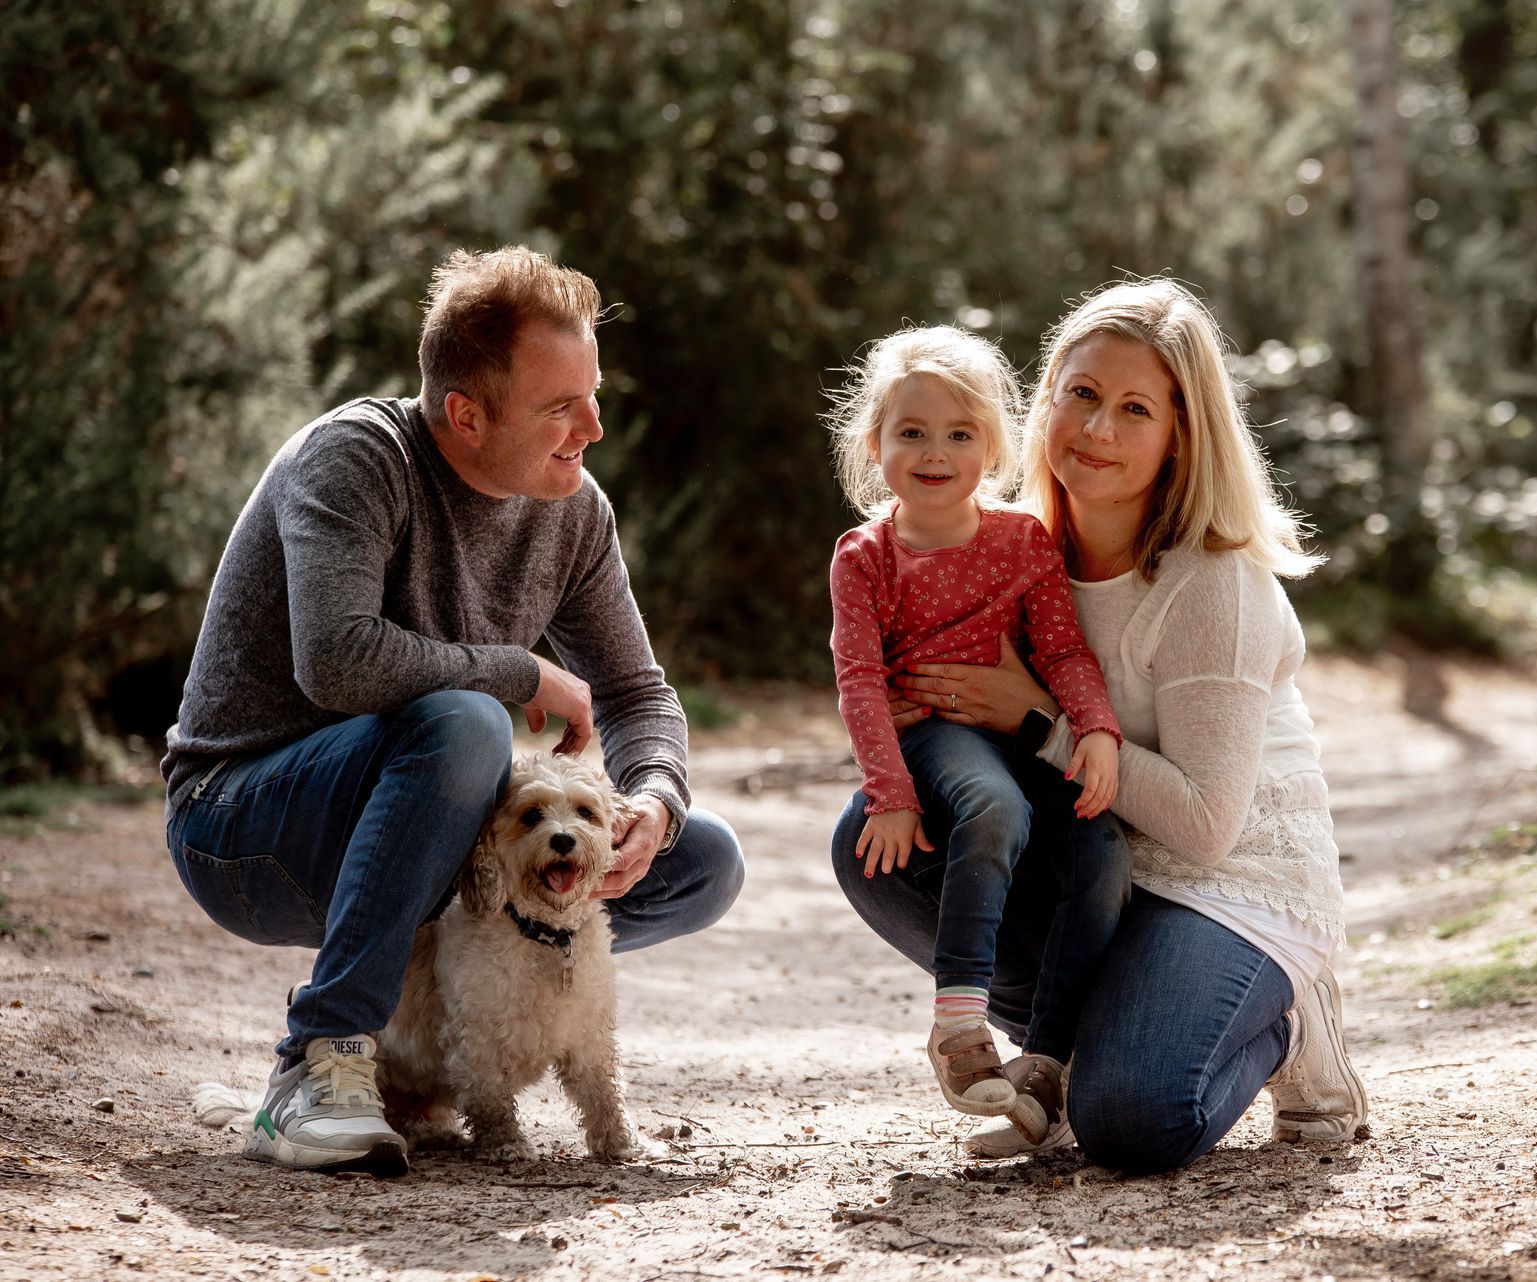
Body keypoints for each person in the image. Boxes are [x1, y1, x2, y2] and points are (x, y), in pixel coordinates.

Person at [161, 246, 745, 1176]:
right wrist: (519, 673)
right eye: (560, 406)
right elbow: (339, 662)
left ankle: (439, 1041)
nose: (592, 426)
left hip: (429, 834)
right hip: (247, 826)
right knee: (467, 724)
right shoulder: (355, 459)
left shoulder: (573, 510)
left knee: (701, 858)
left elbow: (638, 695)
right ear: (466, 415)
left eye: (593, 395)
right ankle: (316, 1064)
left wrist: (655, 799)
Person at [832, 280, 1368, 1173]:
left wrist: (1035, 720)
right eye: (1081, 394)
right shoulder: (1011, 547)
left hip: (1229, 882)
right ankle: (1068, 1050)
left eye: (1135, 409)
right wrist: (912, 701)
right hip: (1100, 858)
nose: (1098, 430)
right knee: (875, 839)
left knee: (1133, 1120)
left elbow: (1205, 826)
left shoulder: (1211, 586)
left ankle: (1287, 1024)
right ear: (1044, 402)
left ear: (1181, 435)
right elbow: (928, 697)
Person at [825, 326, 1131, 1139]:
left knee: (1102, 855)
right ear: (875, 443)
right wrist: (889, 793)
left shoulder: (1019, 540)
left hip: (1021, 733)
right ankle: (960, 1026)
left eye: (960, 434)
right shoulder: (865, 557)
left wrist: (1094, 728)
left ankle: (1050, 1069)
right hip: (937, 736)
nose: (936, 452)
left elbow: (1062, 647)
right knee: (992, 806)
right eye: (912, 432)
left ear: (991, 446)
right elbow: (858, 680)